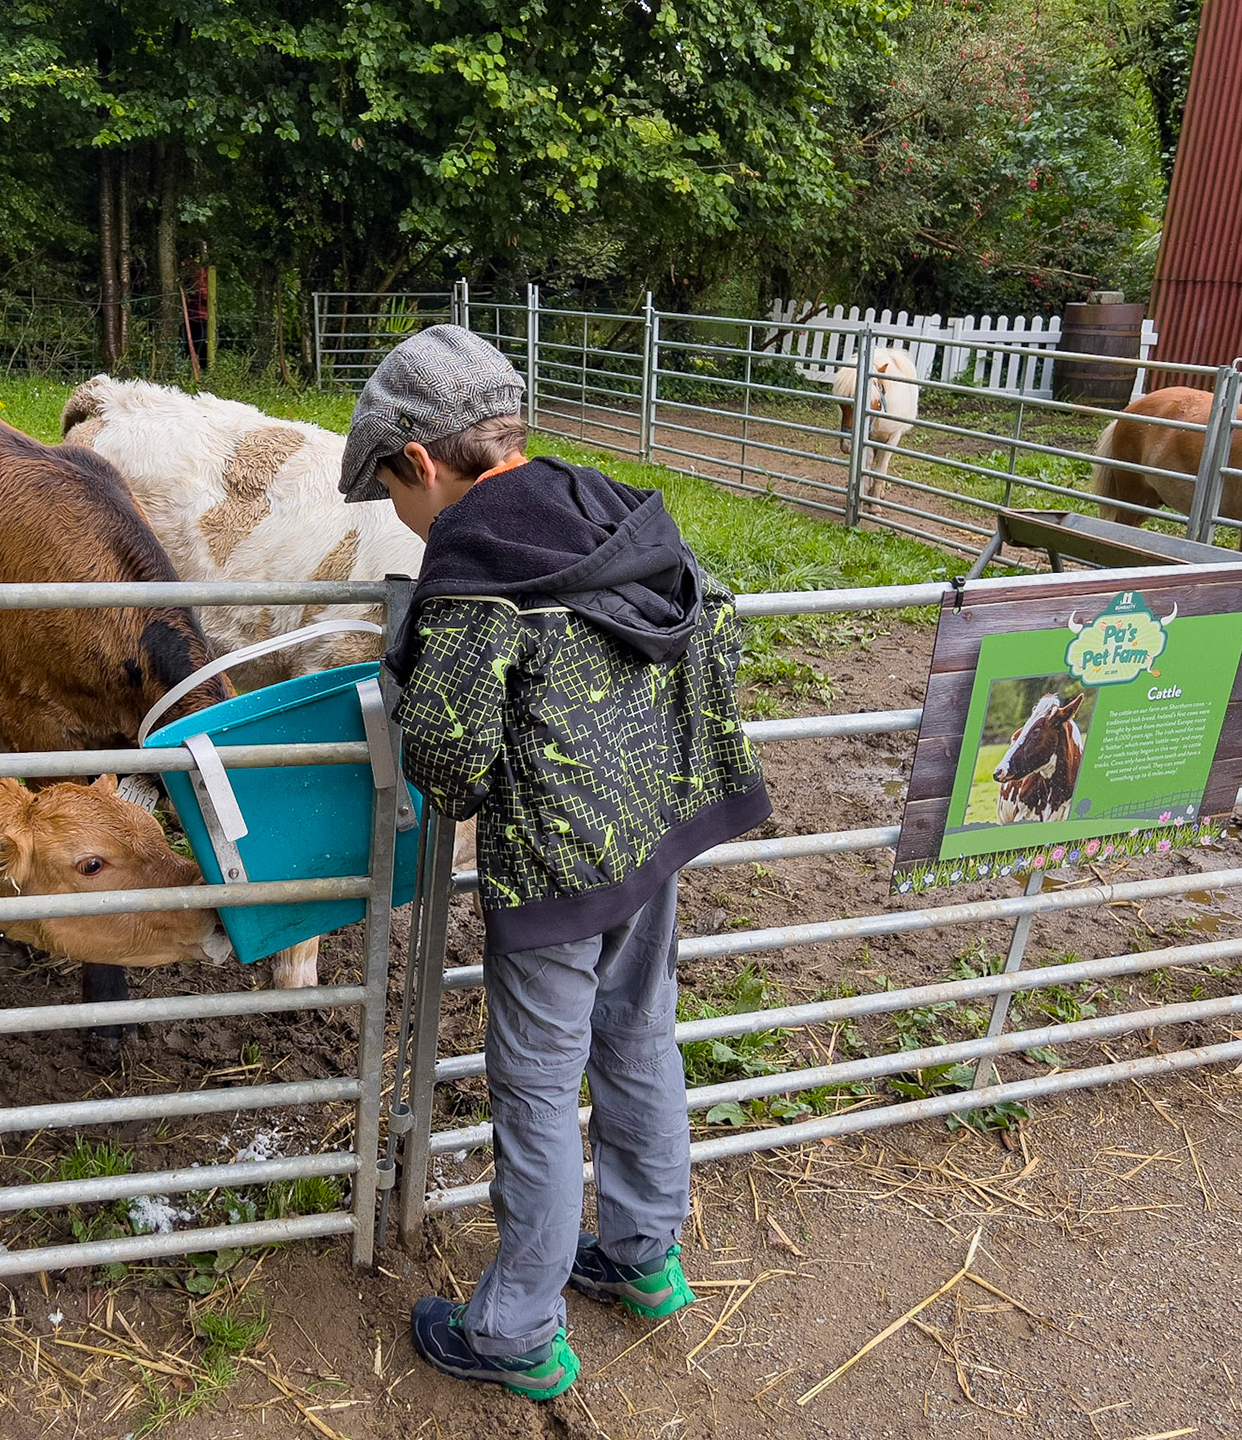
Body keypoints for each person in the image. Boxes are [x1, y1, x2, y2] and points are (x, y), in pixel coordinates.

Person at [339, 325, 771, 1400]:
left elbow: (445, 747)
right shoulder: (612, 502)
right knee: (639, 1035)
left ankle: (518, 1327)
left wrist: (419, 701)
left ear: (422, 462)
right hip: (654, 832)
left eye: (392, 494)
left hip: (557, 868)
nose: (402, 519)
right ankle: (641, 1255)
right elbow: (712, 627)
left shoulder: (477, 559)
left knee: (533, 1084)